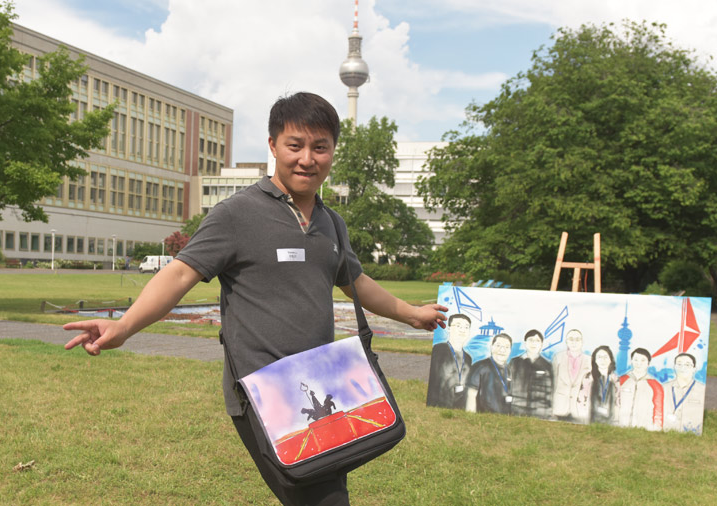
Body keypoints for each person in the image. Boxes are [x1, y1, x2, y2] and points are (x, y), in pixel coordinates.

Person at [63, 92, 447, 506]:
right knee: (321, 494)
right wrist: (124, 325)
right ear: (272, 146)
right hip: (263, 390)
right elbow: (178, 273)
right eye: (294, 145)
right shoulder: (236, 214)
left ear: (333, 151)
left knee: (326, 487)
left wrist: (410, 313)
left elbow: (354, 280)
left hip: (322, 386)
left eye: (320, 148)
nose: (307, 158)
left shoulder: (331, 222)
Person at [426, 313, 474, 409]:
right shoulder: (439, 350)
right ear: (449, 328)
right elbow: (433, 381)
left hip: (460, 406)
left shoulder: (468, 358)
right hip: (440, 405)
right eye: (458, 326)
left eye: (466, 327)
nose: (462, 330)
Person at [508, 329, 553, 419]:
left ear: (541, 344)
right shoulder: (515, 362)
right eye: (531, 340)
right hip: (516, 409)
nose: (534, 343)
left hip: (540, 412)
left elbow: (551, 390)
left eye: (537, 341)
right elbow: (507, 385)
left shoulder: (548, 365)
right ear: (525, 342)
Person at [465, 333, 513, 414]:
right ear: (492, 347)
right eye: (498, 345)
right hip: (483, 418)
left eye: (506, 347)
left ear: (510, 350)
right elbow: (471, 395)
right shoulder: (479, 366)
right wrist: (470, 419)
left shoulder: (509, 370)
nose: (502, 350)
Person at [618, 347, 664, 431]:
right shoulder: (621, 380)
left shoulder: (655, 385)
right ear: (631, 361)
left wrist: (657, 429)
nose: (638, 363)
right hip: (621, 428)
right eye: (635, 360)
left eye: (643, 360)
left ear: (648, 363)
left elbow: (658, 411)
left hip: (643, 430)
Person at [552, 329, 589, 423]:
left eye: (577, 339)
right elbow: (553, 382)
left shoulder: (589, 360)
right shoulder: (558, 357)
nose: (574, 342)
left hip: (579, 408)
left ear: (582, 342)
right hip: (560, 406)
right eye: (571, 339)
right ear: (566, 341)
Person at [663, 352, 705, 434]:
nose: (683, 368)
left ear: (694, 369)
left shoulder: (701, 389)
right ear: (674, 367)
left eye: (687, 365)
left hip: (691, 431)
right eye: (679, 364)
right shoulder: (664, 388)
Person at [579, 345, 618, 425]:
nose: (602, 360)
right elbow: (582, 399)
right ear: (595, 360)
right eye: (599, 357)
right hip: (591, 419)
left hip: (610, 420)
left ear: (610, 359)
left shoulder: (615, 379)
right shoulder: (588, 378)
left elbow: (618, 400)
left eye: (605, 357)